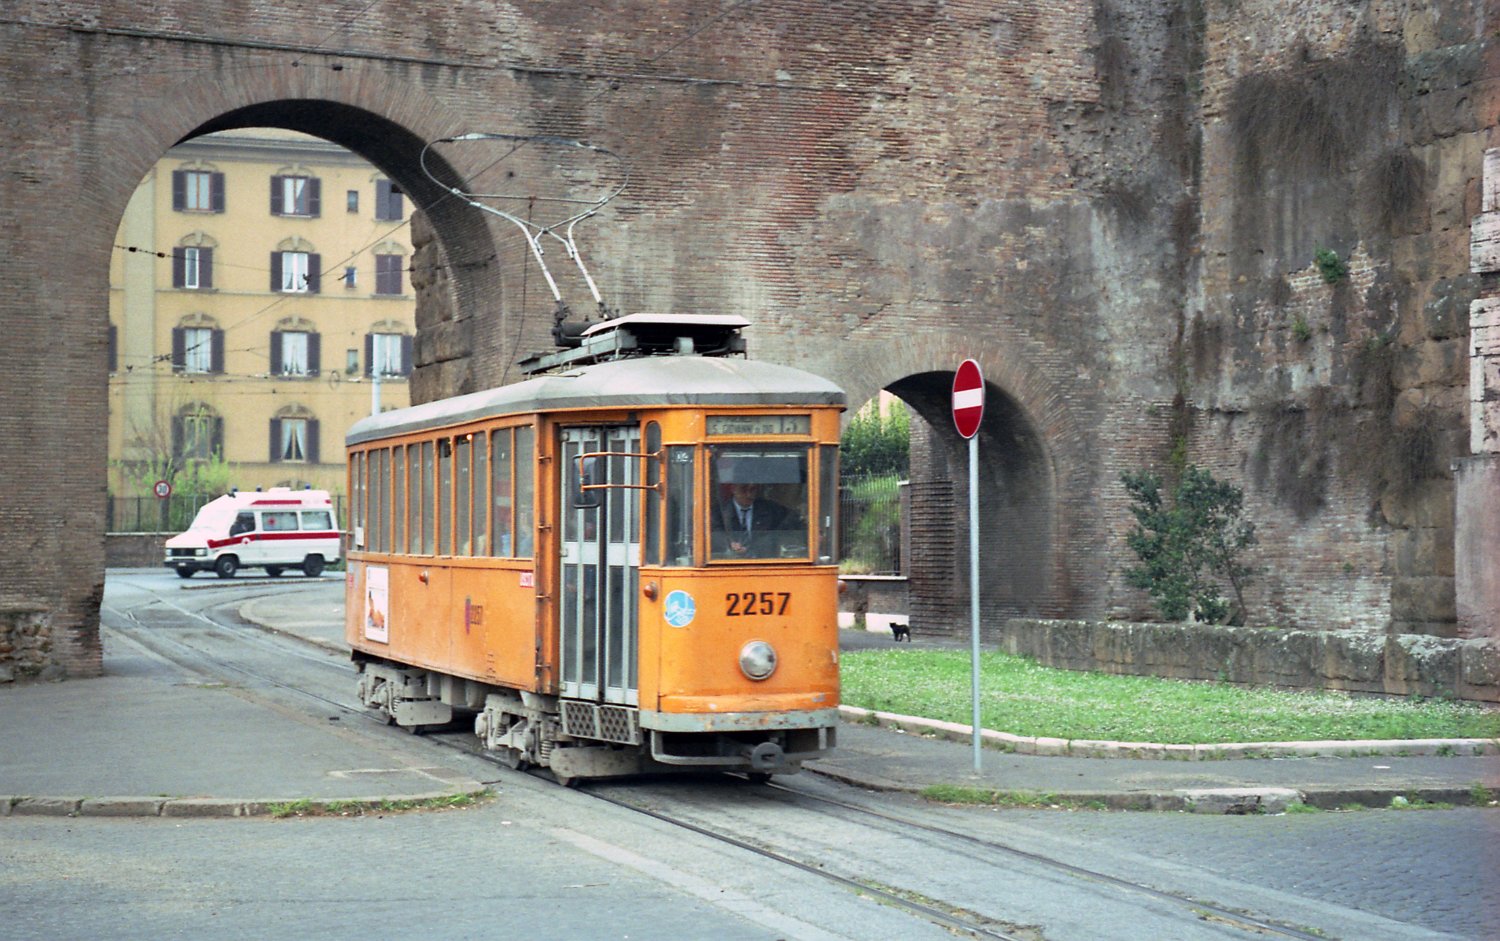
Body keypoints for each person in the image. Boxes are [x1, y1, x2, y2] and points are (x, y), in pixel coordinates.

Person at [714, 482, 791, 557]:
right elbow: (714, 535)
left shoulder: (771, 509)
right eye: (743, 489)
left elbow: (791, 526)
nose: (749, 495)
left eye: (753, 489)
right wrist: (728, 544)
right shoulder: (719, 512)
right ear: (733, 489)